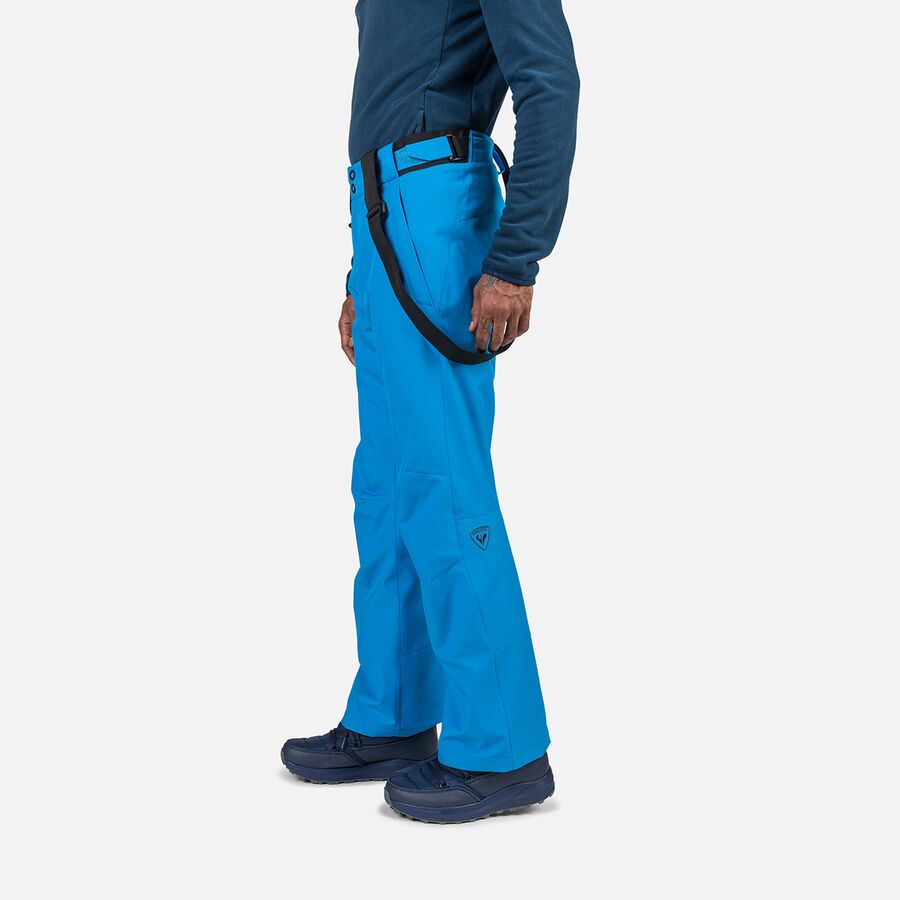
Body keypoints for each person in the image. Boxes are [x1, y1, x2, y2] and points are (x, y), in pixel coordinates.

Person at [281, 0, 579, 824]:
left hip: (433, 208)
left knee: (444, 486)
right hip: (382, 212)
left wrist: (516, 258)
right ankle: (395, 712)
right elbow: (396, 88)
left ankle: (502, 748)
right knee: (385, 493)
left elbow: (551, 83)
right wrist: (360, 277)